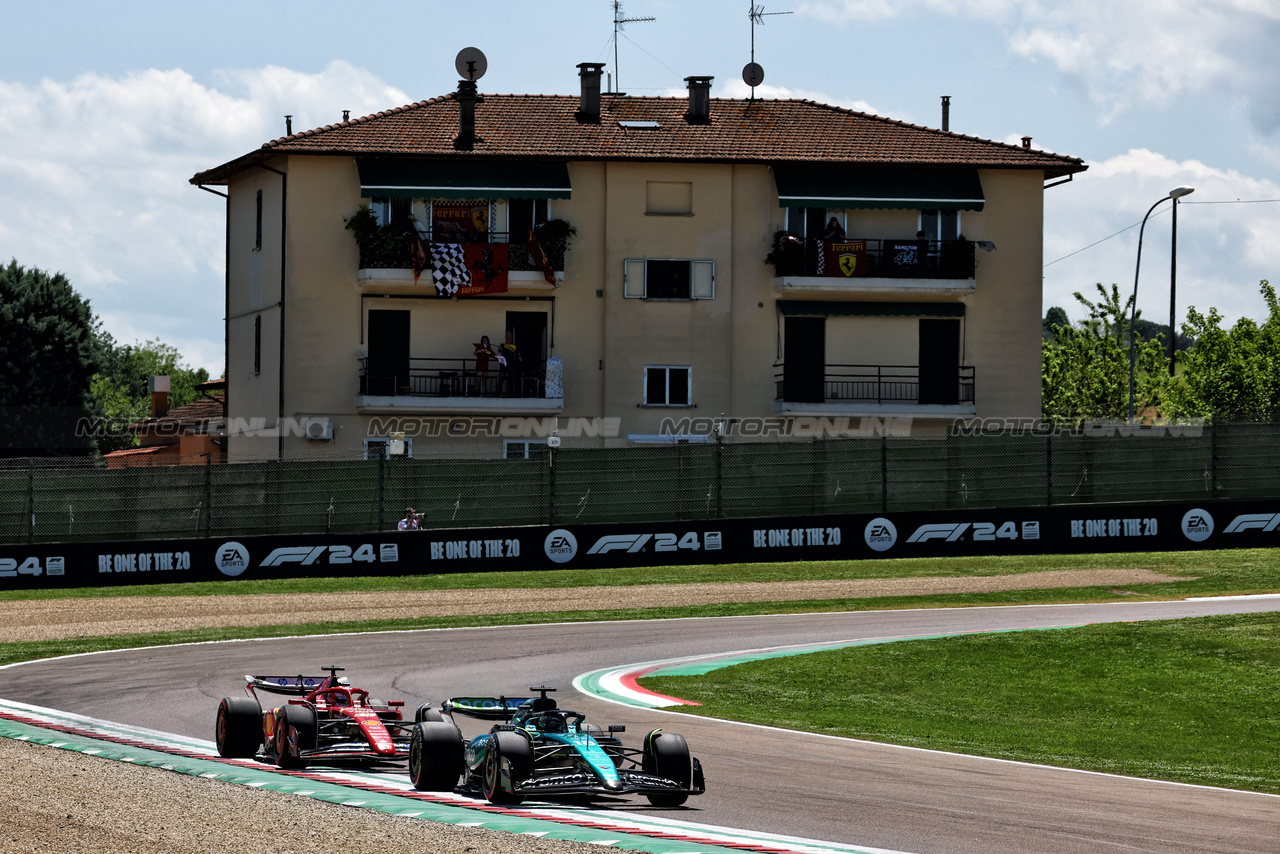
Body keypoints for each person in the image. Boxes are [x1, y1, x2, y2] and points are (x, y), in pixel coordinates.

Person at [498, 331, 521, 397]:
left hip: (511, 366)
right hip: (503, 365)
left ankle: (511, 396)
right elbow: (500, 350)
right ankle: (497, 395)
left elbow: (518, 353)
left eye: (509, 335)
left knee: (511, 381)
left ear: (511, 337)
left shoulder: (514, 346)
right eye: (507, 335)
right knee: (500, 381)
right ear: (505, 337)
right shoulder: (502, 344)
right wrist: (500, 349)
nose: (508, 337)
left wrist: (519, 356)